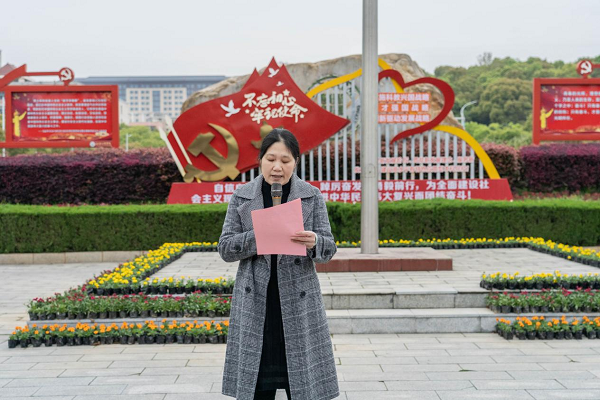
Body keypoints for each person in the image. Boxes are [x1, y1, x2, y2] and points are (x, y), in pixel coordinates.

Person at [219, 128, 339, 400]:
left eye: (285, 160)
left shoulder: (311, 196)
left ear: (295, 162)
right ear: (260, 160)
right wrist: (259, 235)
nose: (277, 167)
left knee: (302, 386)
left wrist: (314, 242)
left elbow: (329, 249)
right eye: (271, 159)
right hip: (256, 302)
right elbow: (225, 248)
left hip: (298, 302)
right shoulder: (242, 196)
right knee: (258, 386)